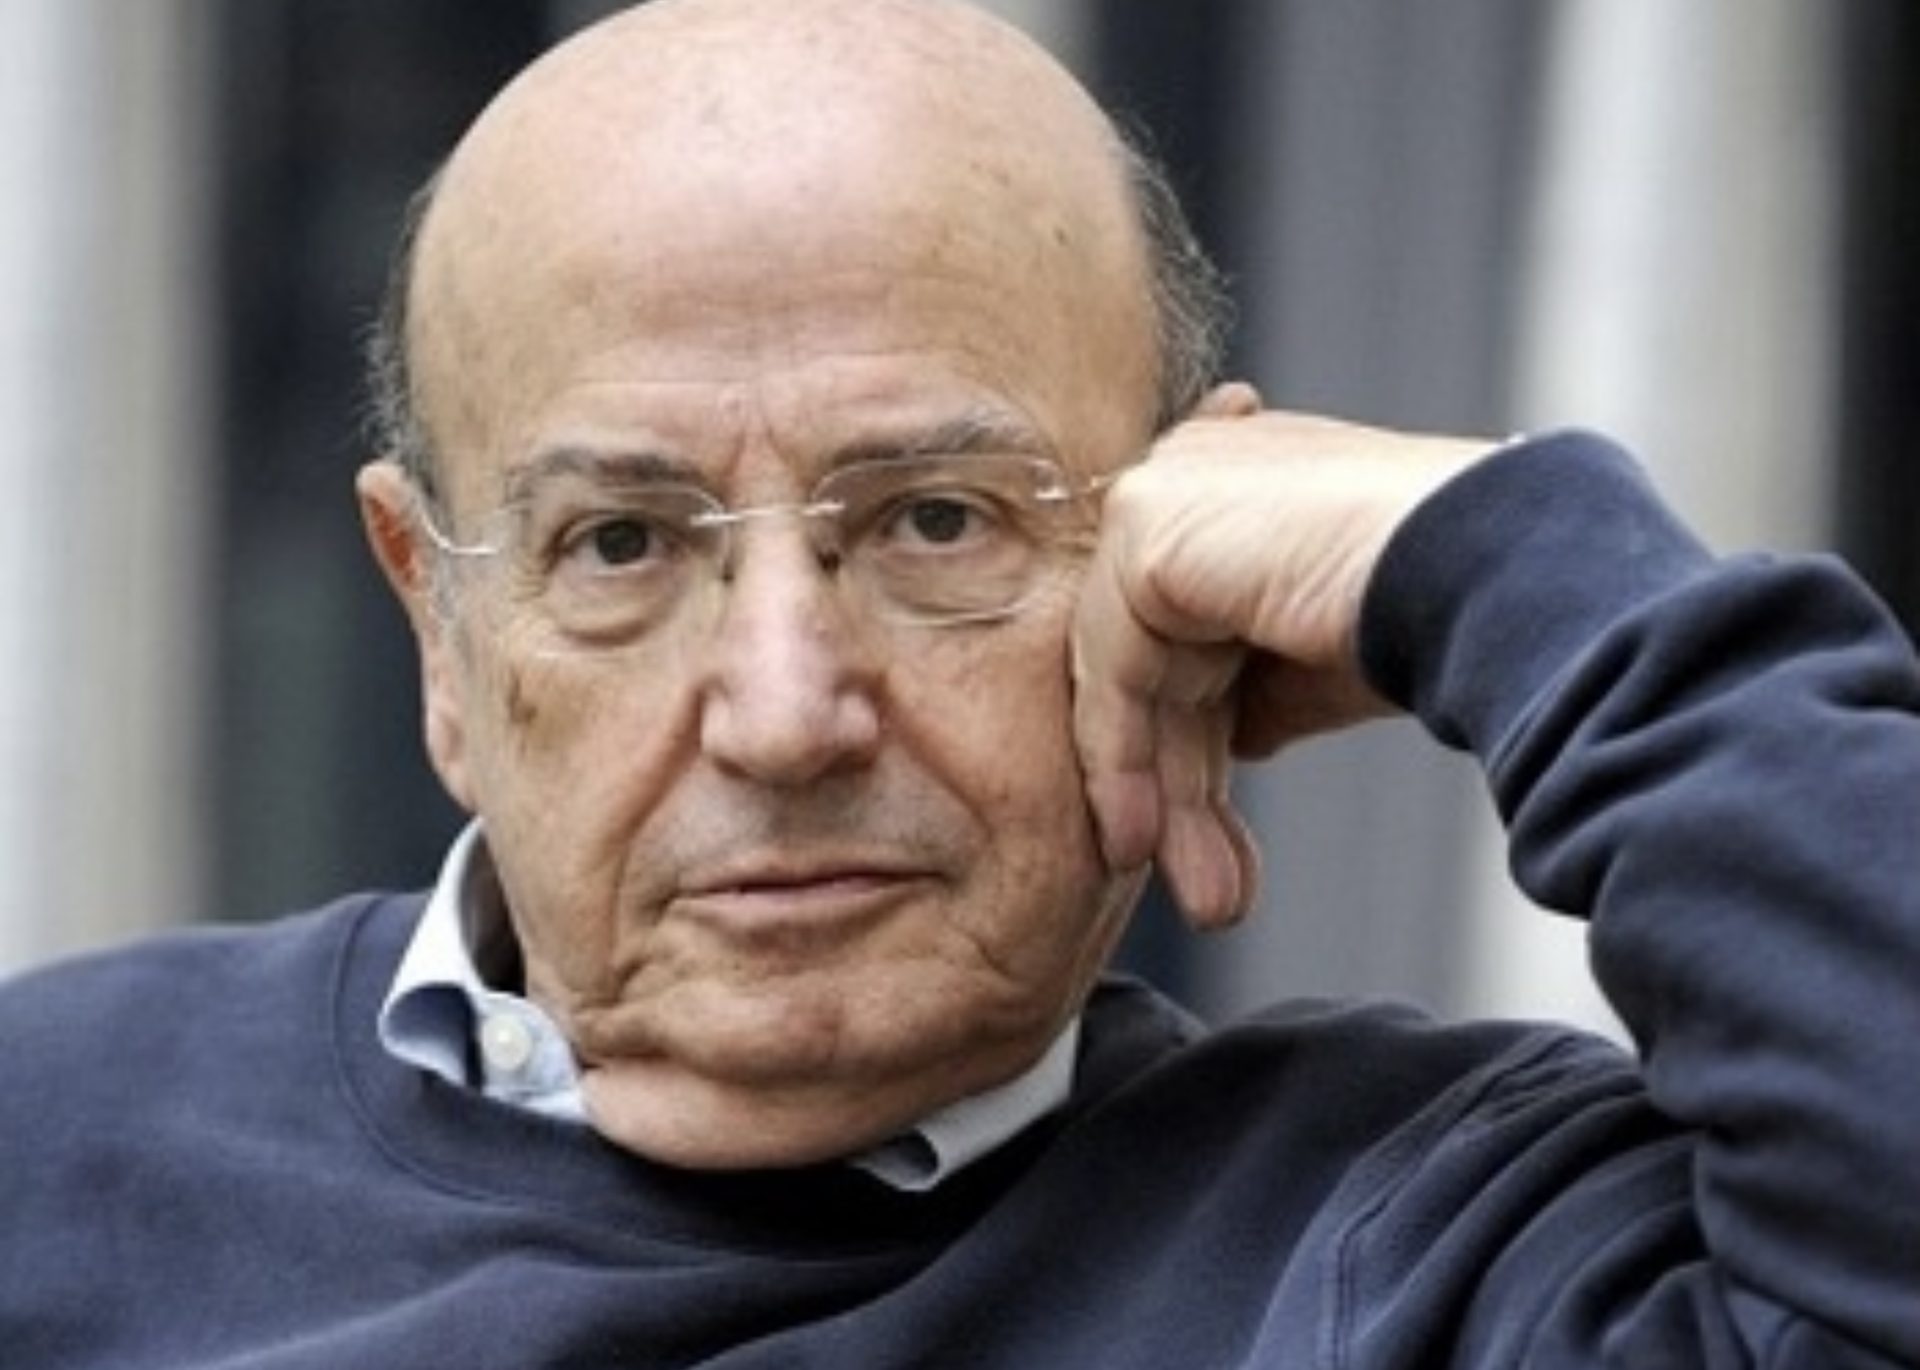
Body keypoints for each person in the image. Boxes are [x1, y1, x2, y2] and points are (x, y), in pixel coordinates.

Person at [2, 0, 1915, 1364]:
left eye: (934, 520)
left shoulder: (1426, 1243)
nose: (782, 715)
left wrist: (1503, 567)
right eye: (623, 543)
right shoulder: (55, 1135)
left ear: (1180, 554)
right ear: (437, 624)